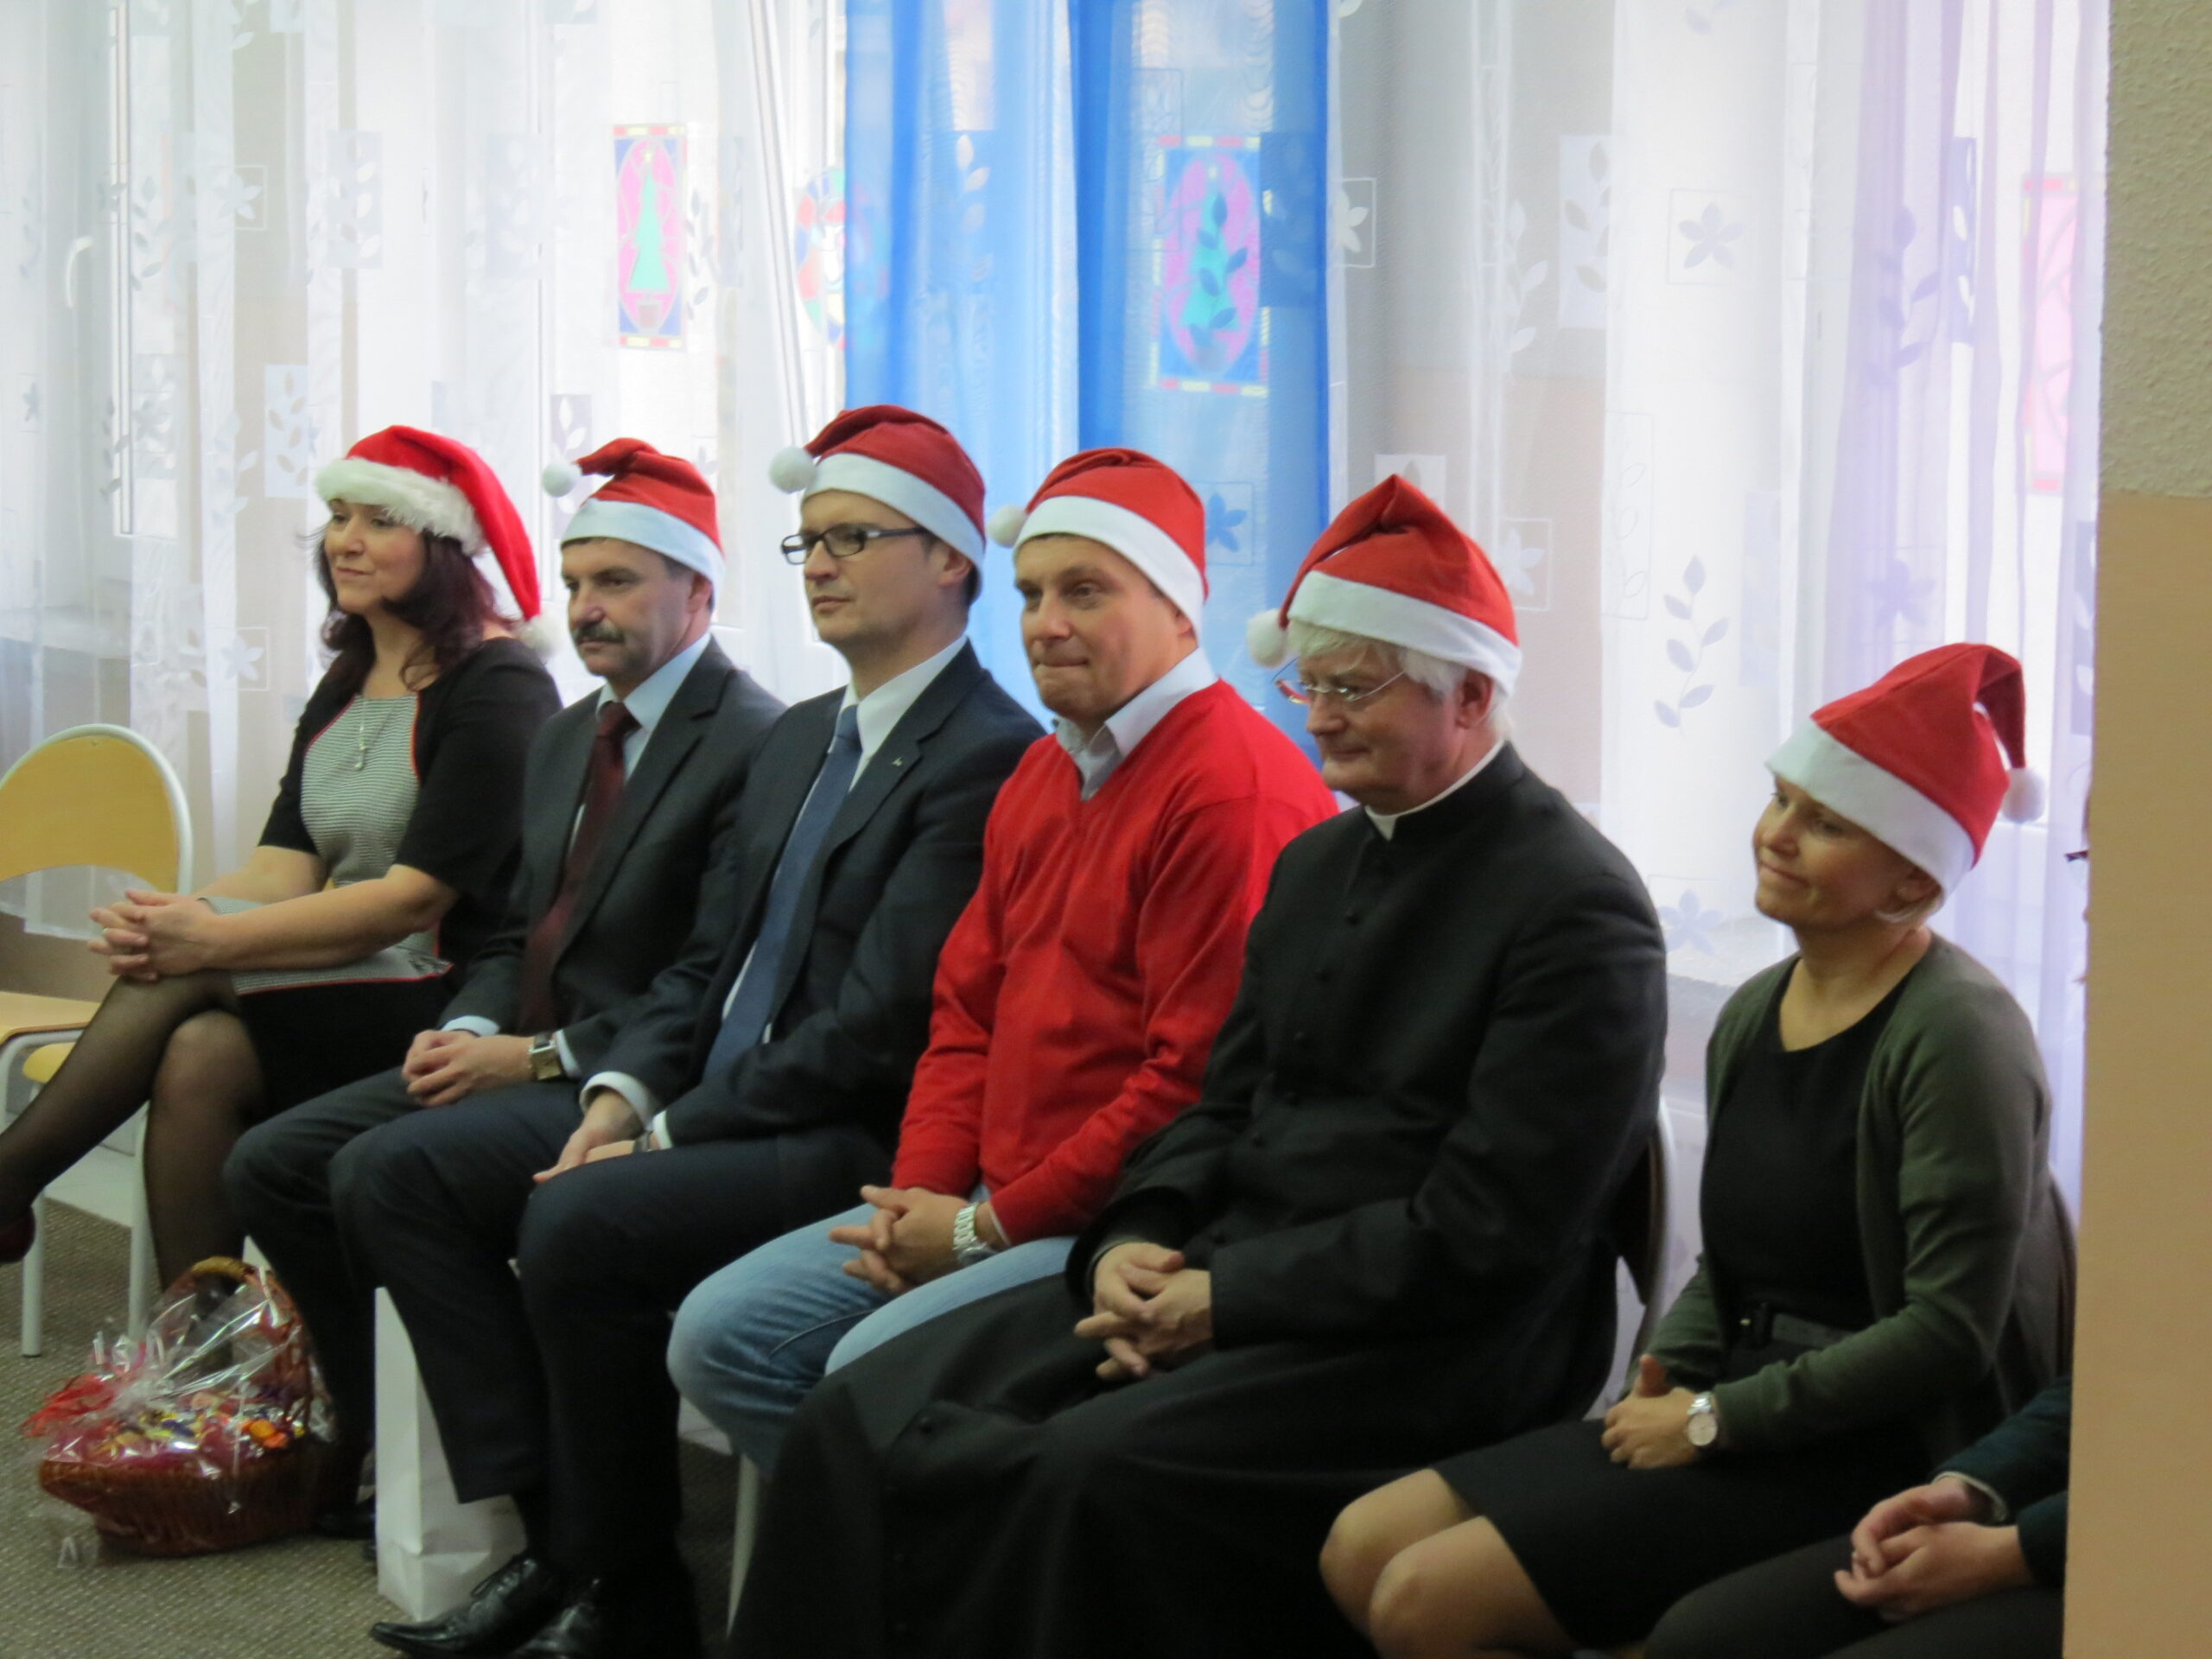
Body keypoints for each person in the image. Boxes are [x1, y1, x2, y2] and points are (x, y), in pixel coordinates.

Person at [725, 474, 1671, 1659]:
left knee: (1073, 1474)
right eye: (1308, 685)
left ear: (1471, 695)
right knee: (859, 1409)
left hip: (1429, 1341)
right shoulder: (1321, 862)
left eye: (1352, 688)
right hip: (1226, 1268)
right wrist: (1134, 1238)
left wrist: (1228, 1300)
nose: (1318, 718)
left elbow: (1491, 1231)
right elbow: (1218, 1108)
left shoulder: (1576, 908)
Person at [348, 406, 1040, 1659]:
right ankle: (558, 1542)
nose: (819, 566)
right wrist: (619, 1095)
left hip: (850, 1133)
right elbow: (709, 965)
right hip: (714, 1097)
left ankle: (630, 1591)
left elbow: (876, 1027)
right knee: (402, 1174)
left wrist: (668, 1133)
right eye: (808, 543)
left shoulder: (988, 755)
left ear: (951, 559)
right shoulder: (805, 737)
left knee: (579, 1222)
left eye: (853, 538)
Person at [1319, 643, 2075, 1659]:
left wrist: (1716, 1420)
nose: (1776, 836)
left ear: (1912, 874)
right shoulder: (1757, 1009)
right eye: (1780, 801)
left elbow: (1946, 1334)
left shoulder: (1956, 1034)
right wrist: (1669, 1372)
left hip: (1876, 1445)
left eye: (1826, 824)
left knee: (1427, 1602)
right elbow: (1735, 1262)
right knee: (1361, 1544)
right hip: (1740, 1403)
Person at [666, 447, 1337, 1474]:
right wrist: (917, 1201)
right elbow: (965, 1011)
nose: (1044, 624)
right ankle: (910, 1546)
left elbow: (1190, 1087)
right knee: (718, 1334)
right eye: (1029, 594)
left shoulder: (1229, 789)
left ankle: (915, 1547)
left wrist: (979, 1231)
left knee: (852, 1378)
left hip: (1120, 1226)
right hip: (985, 1200)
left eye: (1084, 592)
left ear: (1178, 610)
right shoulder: (1044, 769)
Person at [223, 439, 783, 1527]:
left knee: (386, 1170)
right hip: (516, 1043)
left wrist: (536, 1057)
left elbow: (713, 975)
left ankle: (526, 1503)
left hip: (625, 1068)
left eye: (616, 581)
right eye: (574, 583)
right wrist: (474, 1022)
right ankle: (395, 1436)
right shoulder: (573, 733)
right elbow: (516, 925)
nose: (586, 608)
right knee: (274, 1164)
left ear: (700, 592)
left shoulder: (753, 740)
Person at [0, 426, 559, 1281]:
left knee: (188, 972)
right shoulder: (349, 677)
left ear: (443, 547)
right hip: (353, 971)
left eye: (379, 521)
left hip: (452, 992)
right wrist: (175, 920)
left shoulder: (500, 685)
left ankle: (10, 1178)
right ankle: (203, 1343)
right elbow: (281, 869)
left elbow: (411, 901)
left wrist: (206, 941)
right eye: (338, 516)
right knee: (200, 1053)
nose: (345, 541)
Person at [1643, 1378, 2069, 1659]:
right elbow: (2084, 1394)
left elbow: (1945, 1334)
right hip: (2051, 1516)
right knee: (1694, 1641)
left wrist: (2017, 1551)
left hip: (2095, 1564)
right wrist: (1968, 1487)